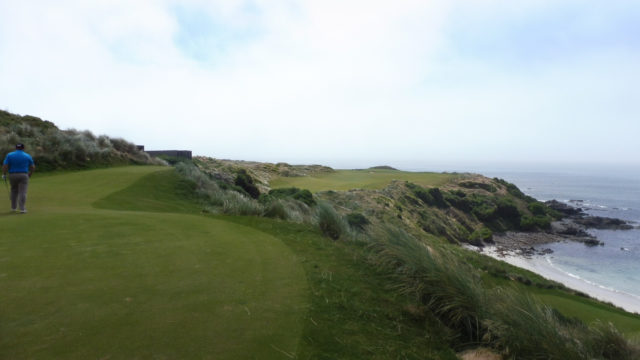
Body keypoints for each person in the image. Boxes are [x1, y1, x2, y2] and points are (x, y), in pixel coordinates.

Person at [2, 143, 35, 213]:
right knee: (22, 192)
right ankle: (22, 209)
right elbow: (32, 167)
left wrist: (4, 174)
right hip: (23, 175)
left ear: (16, 148)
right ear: (23, 148)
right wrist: (30, 174)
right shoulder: (27, 155)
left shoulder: (10, 155)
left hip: (12, 175)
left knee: (14, 191)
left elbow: (5, 165)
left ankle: (13, 208)